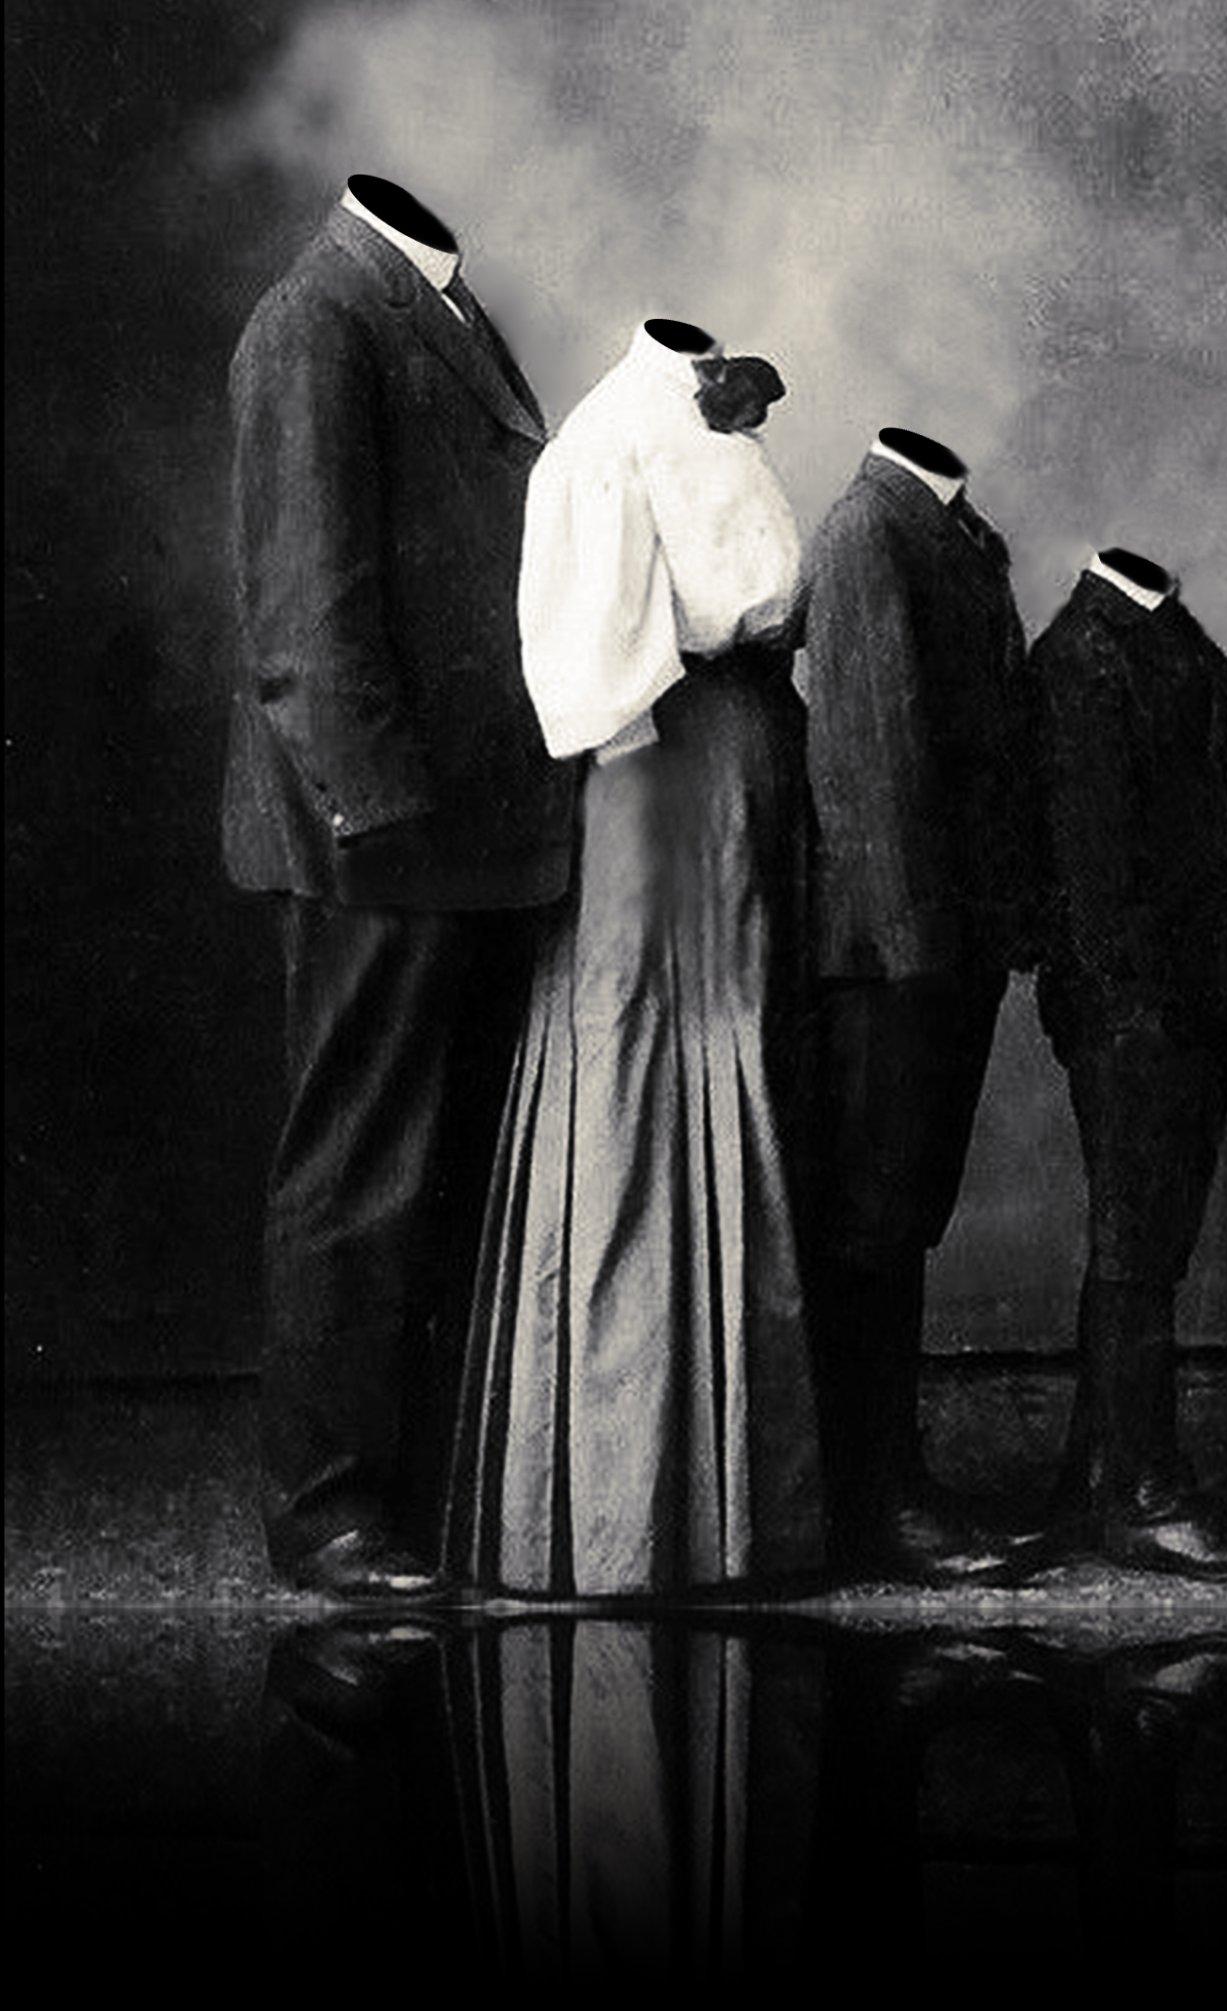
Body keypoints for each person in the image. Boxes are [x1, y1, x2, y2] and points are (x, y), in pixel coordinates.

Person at [224, 175, 575, 1598]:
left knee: (420, 1172)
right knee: (359, 1170)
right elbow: (305, 612)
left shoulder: (428, 305)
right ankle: (326, 1515)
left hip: (457, 834)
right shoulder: (318, 318)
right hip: (378, 838)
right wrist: (375, 818)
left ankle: (403, 1497)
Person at [443, 319, 821, 1598]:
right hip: (655, 772)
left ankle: (739, 1500)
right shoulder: (603, 442)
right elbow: (588, 675)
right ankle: (618, 1509)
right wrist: (649, 761)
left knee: (735, 1051)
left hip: (737, 755)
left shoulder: (712, 421)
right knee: (638, 1072)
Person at [797, 428, 1048, 1584]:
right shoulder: (870, 533)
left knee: (898, 1219)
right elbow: (868, 757)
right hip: (891, 952)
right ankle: (874, 1499)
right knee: (873, 1225)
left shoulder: (941, 530)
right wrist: (914, 955)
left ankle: (890, 1482)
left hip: (937, 944)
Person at [1034, 548, 1227, 1579]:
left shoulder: (1154, 637)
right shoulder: (1087, 657)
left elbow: (1207, 814)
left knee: (1141, 1243)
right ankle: (1141, 1491)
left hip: (1178, 1004)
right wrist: (1135, 1009)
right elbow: (1091, 871)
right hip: (1136, 1012)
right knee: (1137, 1246)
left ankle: (1097, 1469)